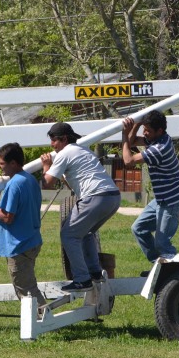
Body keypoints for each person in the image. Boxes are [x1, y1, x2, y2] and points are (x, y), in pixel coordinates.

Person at [41, 122, 120, 292]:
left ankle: (82, 279)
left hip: (96, 197)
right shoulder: (83, 150)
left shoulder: (65, 153)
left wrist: (46, 166)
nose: (51, 144)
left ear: (63, 139)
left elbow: (47, 183)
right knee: (86, 232)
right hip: (112, 197)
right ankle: (95, 272)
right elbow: (74, 186)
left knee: (68, 235)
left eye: (54, 140)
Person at [0, 143, 46, 307]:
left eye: (1, 163)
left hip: (19, 245)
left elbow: (7, 217)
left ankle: (43, 319)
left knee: (26, 289)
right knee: (27, 284)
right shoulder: (30, 179)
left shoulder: (15, 184)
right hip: (31, 240)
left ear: (13, 163)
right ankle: (42, 318)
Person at [122, 110, 179, 264]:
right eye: (144, 129)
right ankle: (158, 266)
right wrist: (137, 123)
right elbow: (131, 143)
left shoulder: (159, 149)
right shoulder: (158, 138)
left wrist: (124, 135)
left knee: (162, 243)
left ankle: (175, 273)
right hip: (161, 199)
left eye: (148, 130)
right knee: (138, 229)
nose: (145, 133)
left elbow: (128, 161)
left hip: (171, 201)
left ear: (159, 130)